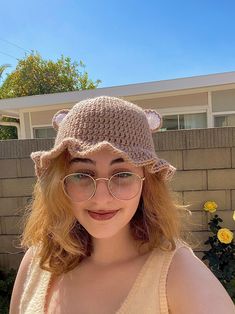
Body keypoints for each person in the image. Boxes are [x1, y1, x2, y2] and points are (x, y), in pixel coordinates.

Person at [10, 96, 234, 314]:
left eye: (122, 174)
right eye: (82, 175)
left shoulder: (179, 275)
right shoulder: (36, 262)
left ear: (148, 183)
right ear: (59, 184)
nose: (101, 198)